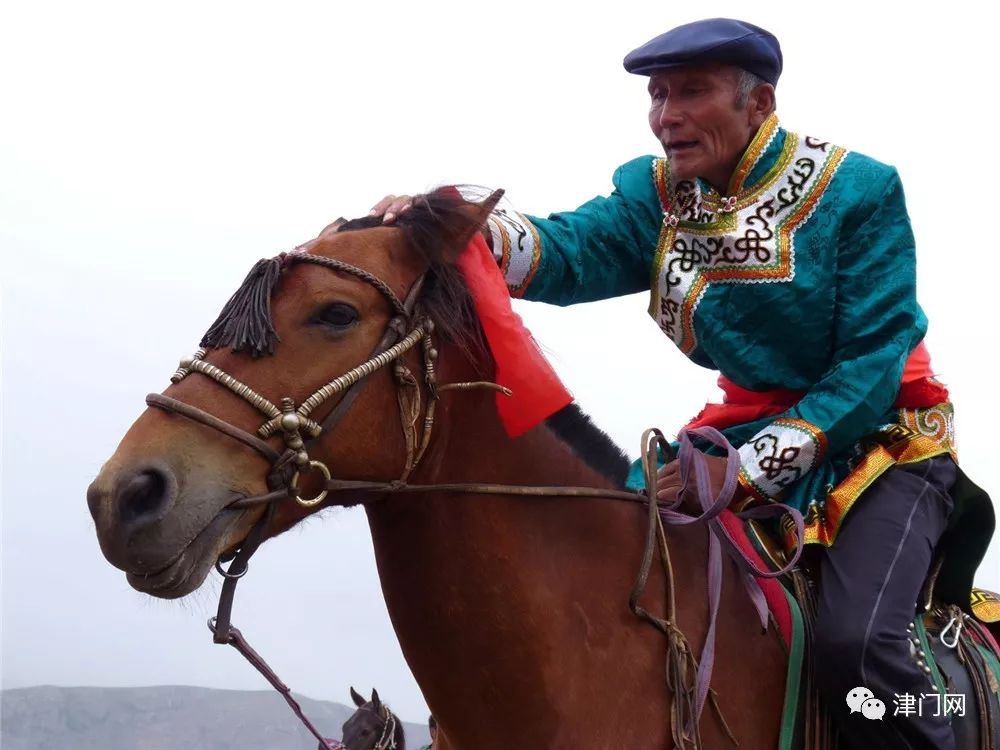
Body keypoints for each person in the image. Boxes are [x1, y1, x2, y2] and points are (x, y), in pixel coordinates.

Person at [370, 17, 993, 750]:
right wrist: (463, 228)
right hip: (734, 431)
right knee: (608, 554)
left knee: (854, 646)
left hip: (882, 448)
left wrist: (746, 470)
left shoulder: (858, 191)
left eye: (691, 92)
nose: (667, 115)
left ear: (758, 104)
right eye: (658, 95)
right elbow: (572, 249)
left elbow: (873, 362)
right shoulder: (658, 195)